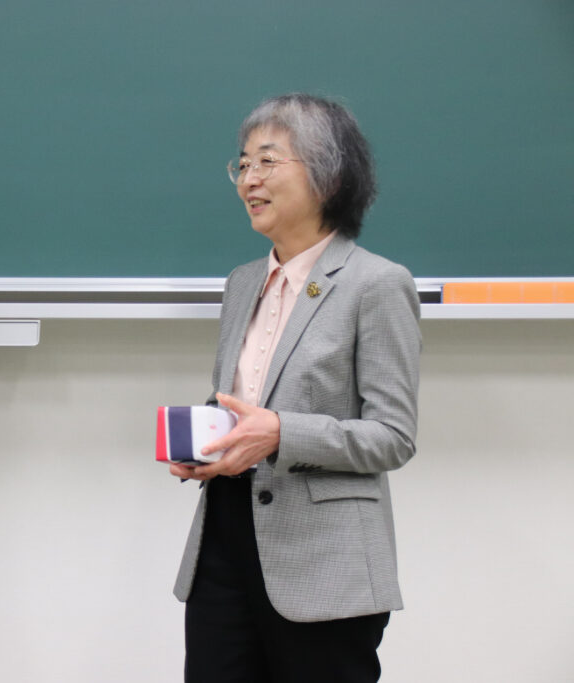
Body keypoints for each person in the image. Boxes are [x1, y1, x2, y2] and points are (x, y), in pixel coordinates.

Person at [170, 94, 420, 682]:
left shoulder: (377, 284)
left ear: (328, 174)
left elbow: (393, 437)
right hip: (223, 545)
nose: (248, 180)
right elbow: (240, 401)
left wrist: (281, 434)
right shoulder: (242, 283)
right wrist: (206, 440)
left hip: (323, 560)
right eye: (242, 165)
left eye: (267, 161)